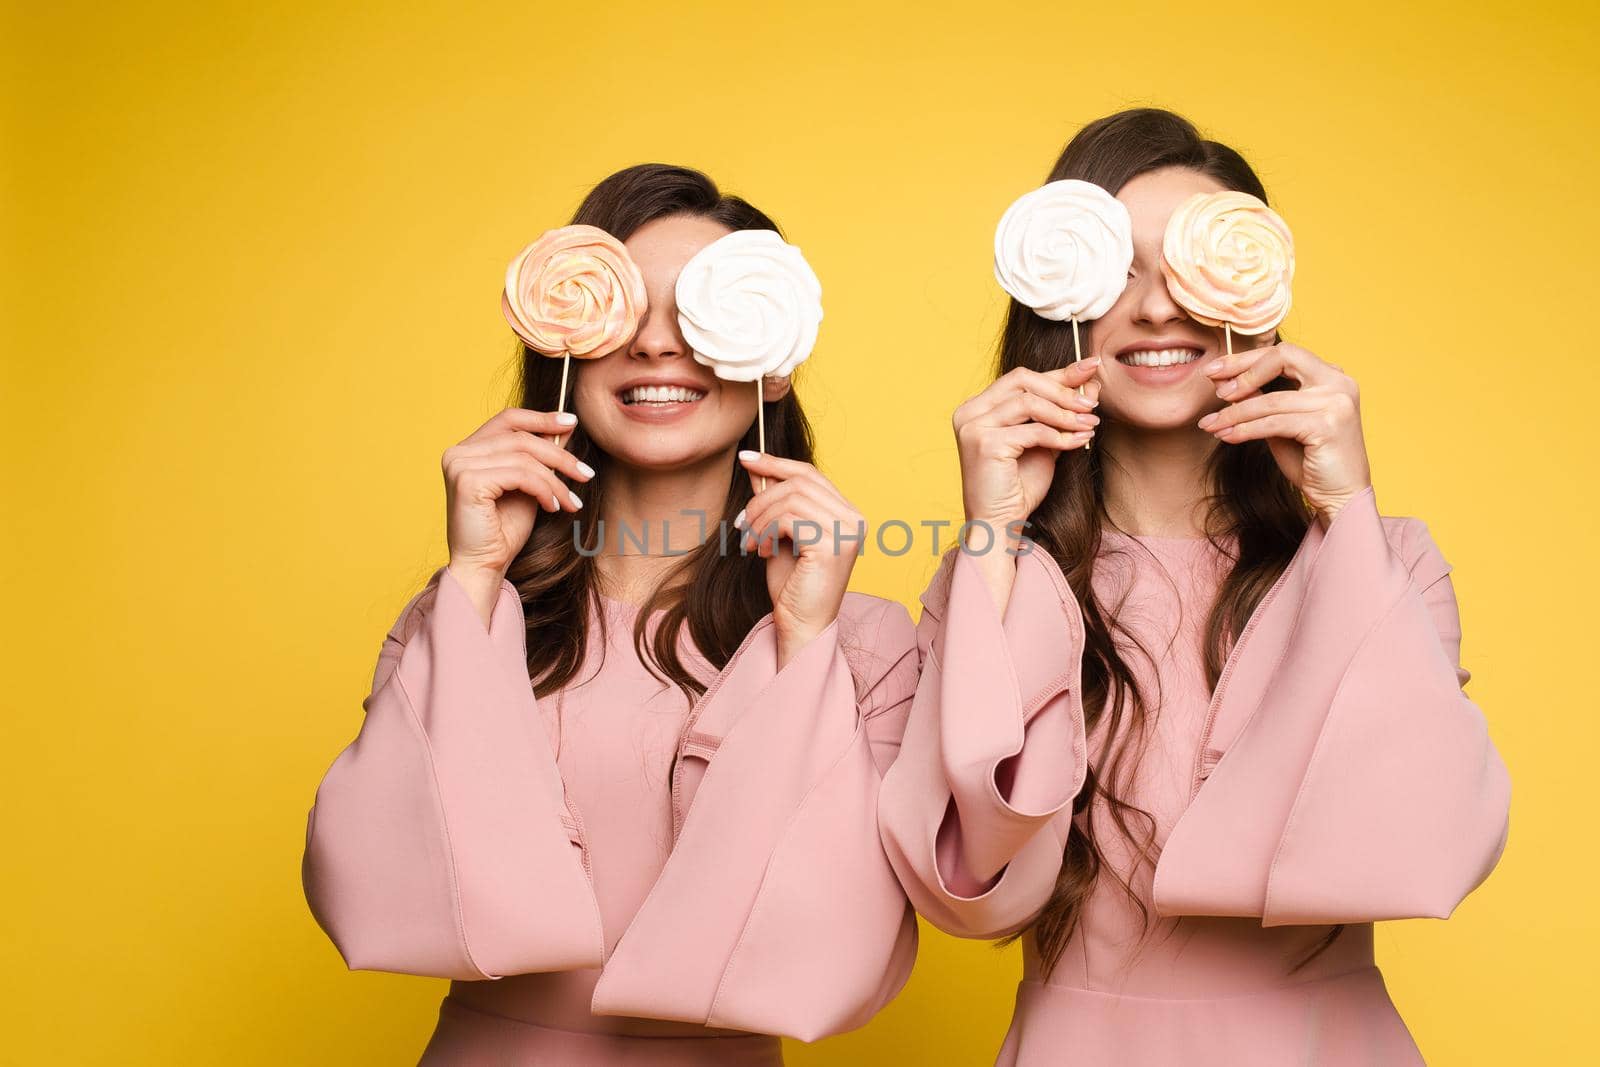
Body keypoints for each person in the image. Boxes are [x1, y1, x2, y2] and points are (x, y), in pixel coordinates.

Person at [877, 108, 1511, 1066]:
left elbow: (1426, 835)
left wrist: (1344, 506)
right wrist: (993, 534)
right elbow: (963, 871)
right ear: (1057, 296)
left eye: (1191, 265)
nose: (1160, 307)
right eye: (1118, 268)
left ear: (1252, 287)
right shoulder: (999, 580)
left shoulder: (1383, 559)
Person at [301, 163, 918, 1065]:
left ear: (774, 363)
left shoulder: (866, 643)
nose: (657, 346)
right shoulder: (468, 612)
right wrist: (474, 573)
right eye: (621, 310)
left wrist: (804, 638)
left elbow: (841, 935)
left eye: (704, 311)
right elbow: (363, 876)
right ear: (563, 341)